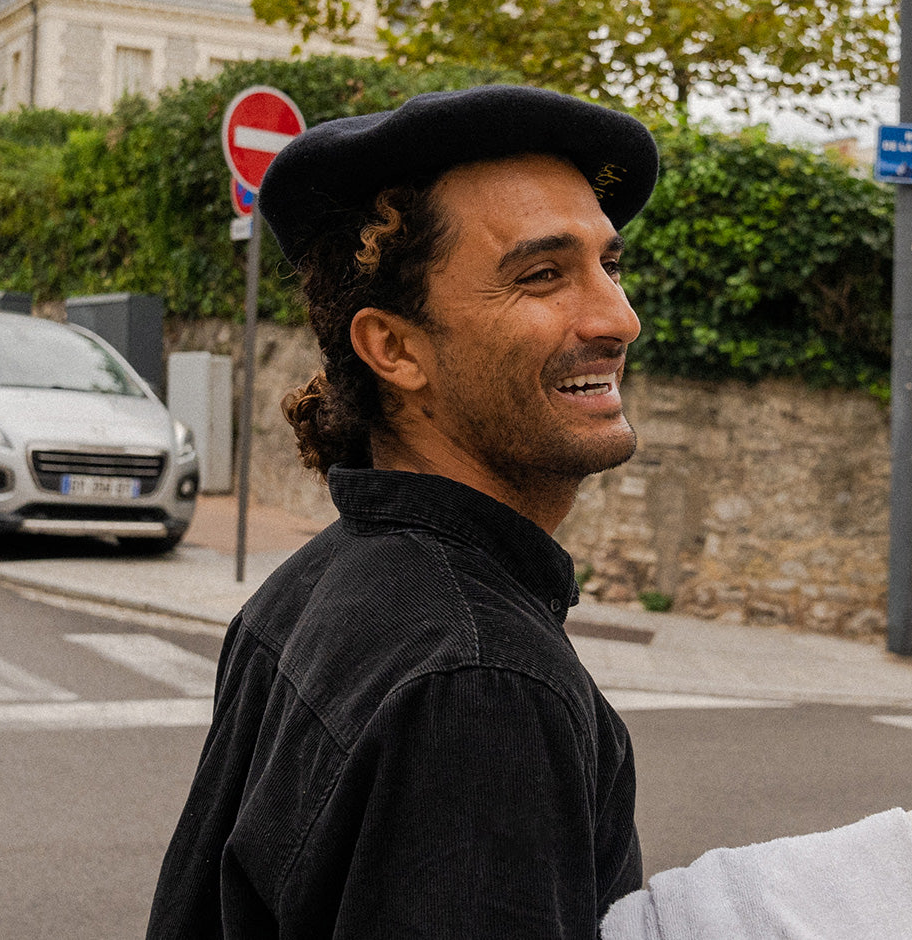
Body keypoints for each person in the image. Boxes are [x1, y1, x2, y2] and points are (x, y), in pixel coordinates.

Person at [146, 84, 661, 938]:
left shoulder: (315, 583)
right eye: (542, 275)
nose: (619, 318)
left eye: (609, 264)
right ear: (394, 347)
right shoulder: (481, 682)